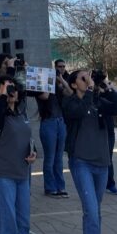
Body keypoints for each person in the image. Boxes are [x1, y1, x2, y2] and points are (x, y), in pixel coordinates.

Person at [63, 69, 117, 234]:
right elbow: (79, 111)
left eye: (89, 77)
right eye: (83, 78)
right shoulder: (70, 102)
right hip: (82, 163)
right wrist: (90, 90)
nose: (88, 80)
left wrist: (107, 86)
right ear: (73, 84)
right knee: (91, 211)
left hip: (102, 164)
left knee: (95, 212)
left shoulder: (98, 101)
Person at [0, 75, 38, 234]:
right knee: (7, 225)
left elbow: (28, 140)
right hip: (2, 175)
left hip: (22, 175)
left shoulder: (21, 114)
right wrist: (1, 98)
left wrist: (33, 153)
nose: (12, 91)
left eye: (14, 88)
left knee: (23, 224)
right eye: (7, 87)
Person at [35, 60, 72, 198]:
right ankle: (50, 187)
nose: (61, 69)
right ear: (53, 68)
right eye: (58, 67)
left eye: (63, 67)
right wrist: (48, 78)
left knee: (59, 157)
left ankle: (60, 186)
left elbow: (70, 93)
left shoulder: (60, 85)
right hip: (48, 122)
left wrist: (61, 79)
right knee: (50, 157)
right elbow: (44, 96)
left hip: (60, 121)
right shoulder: (42, 85)